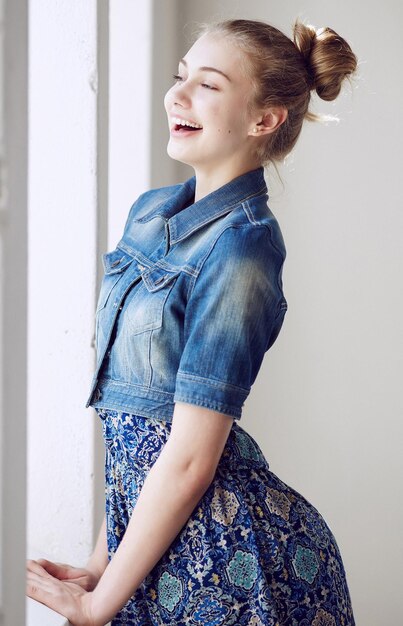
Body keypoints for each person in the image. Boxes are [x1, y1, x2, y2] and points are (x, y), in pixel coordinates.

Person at [27, 17, 358, 626]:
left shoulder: (245, 247)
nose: (176, 96)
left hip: (226, 559)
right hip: (153, 546)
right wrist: (103, 567)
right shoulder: (150, 212)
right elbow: (134, 418)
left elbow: (187, 456)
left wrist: (100, 602)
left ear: (265, 120)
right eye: (180, 77)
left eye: (207, 85)